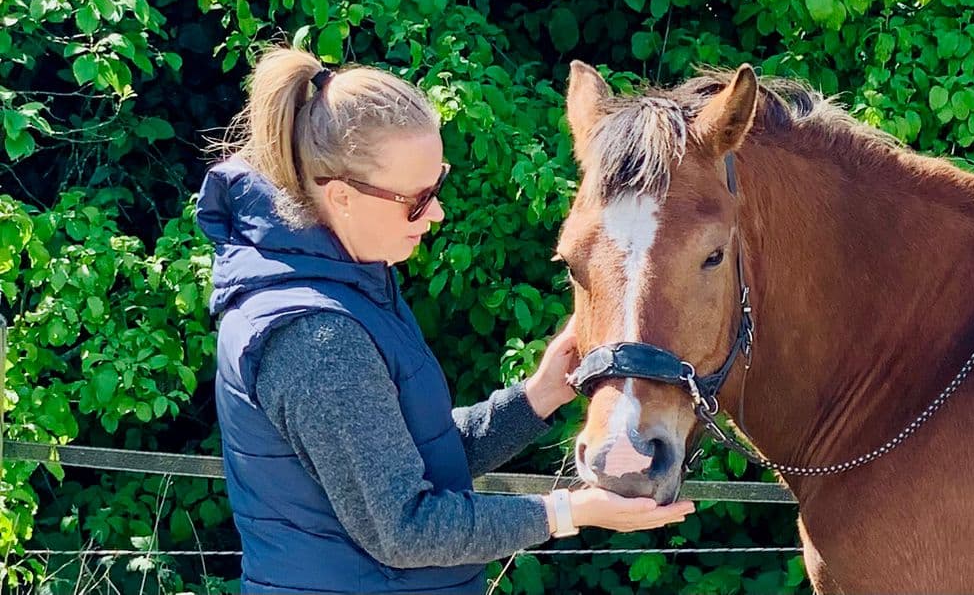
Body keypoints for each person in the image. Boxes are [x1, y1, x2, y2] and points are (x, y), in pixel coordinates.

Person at [201, 46, 693, 594]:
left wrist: (537, 397)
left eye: (437, 186)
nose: (436, 213)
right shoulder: (319, 336)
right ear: (341, 197)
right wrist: (568, 512)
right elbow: (405, 529)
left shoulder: (350, 289)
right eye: (416, 199)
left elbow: (410, 457)